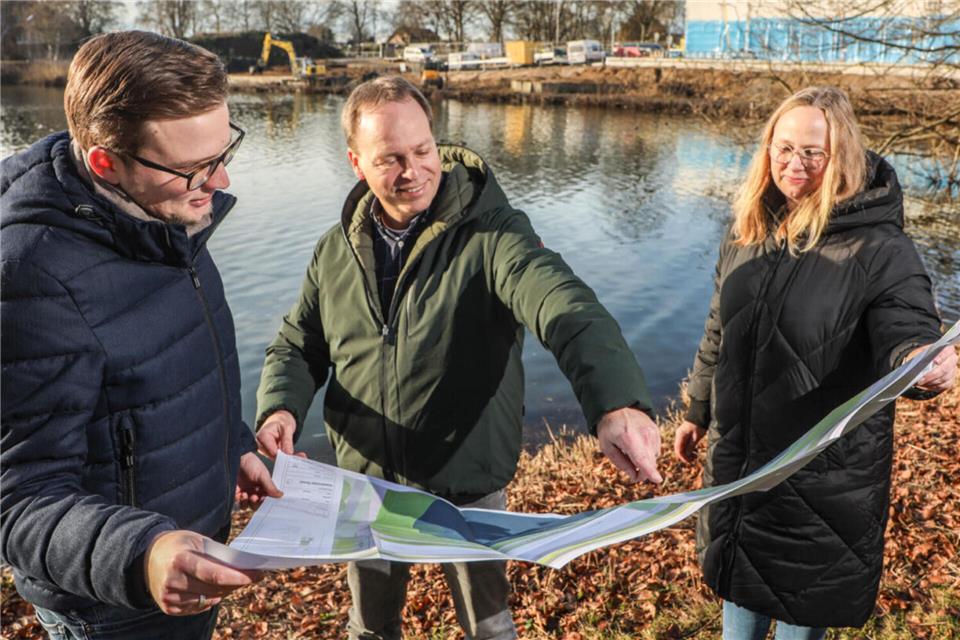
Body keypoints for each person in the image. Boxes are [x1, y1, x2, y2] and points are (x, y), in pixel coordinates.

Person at [254, 75, 662, 640]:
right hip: (366, 478)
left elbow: (565, 306)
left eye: (423, 151)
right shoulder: (334, 249)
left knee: (487, 624)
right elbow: (300, 344)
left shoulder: (494, 235)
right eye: (390, 159)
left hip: (466, 474)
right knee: (369, 625)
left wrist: (615, 402)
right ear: (356, 162)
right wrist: (281, 409)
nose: (413, 170)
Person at [0, 31, 282, 639]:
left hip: (189, 562)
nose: (222, 180)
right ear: (106, 161)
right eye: (194, 167)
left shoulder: (165, 212)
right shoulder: (31, 277)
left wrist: (232, 444)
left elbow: (173, 362)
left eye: (223, 150)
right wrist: (143, 555)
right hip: (113, 605)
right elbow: (20, 501)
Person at [673, 85, 957, 639]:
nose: (793, 163)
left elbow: (907, 327)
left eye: (811, 152)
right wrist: (697, 408)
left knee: (802, 612)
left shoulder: (880, 248)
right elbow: (718, 330)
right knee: (740, 597)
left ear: (841, 155)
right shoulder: (748, 231)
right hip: (740, 467)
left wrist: (925, 363)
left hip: (821, 480)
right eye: (782, 148)